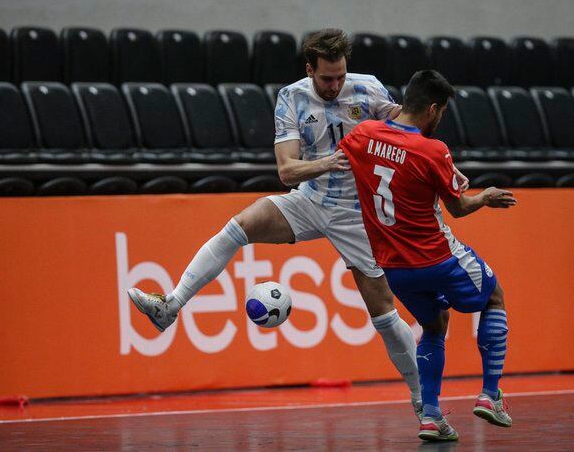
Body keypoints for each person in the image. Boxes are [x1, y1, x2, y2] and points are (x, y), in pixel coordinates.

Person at [127, 29, 466, 418]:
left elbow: (408, 133)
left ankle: (421, 399)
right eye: (326, 78)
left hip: (357, 213)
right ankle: (171, 306)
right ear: (310, 70)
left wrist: (447, 170)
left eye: (340, 76)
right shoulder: (291, 98)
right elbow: (287, 171)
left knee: (384, 313)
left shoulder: (367, 89)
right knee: (241, 224)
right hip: (310, 199)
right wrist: (328, 163)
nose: (335, 85)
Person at [338, 70, 517, 442]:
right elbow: (458, 208)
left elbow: (342, 160)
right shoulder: (433, 150)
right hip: (438, 258)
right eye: (442, 112)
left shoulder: (362, 135)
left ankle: (431, 415)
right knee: (494, 296)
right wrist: (485, 196)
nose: (441, 119)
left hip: (394, 268)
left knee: (434, 326)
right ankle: (491, 393)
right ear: (433, 109)